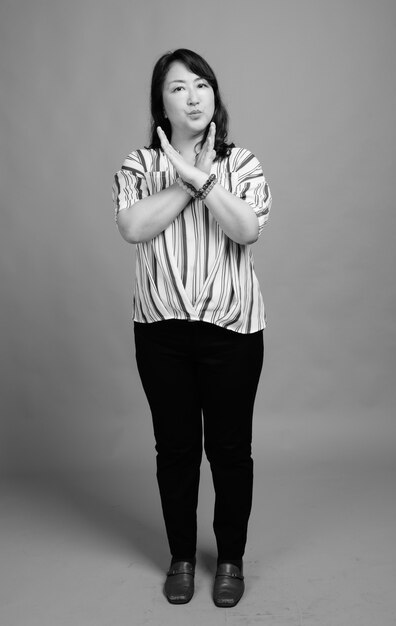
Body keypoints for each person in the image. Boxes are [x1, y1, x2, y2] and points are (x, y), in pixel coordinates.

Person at [112, 48, 271, 608]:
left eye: (201, 85)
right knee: (175, 448)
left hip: (232, 330)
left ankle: (229, 559)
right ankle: (182, 556)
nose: (193, 96)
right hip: (160, 331)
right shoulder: (137, 165)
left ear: (215, 95)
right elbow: (134, 227)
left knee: (230, 449)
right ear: (161, 101)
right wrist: (186, 178)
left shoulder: (244, 163)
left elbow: (246, 229)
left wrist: (203, 178)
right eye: (178, 88)